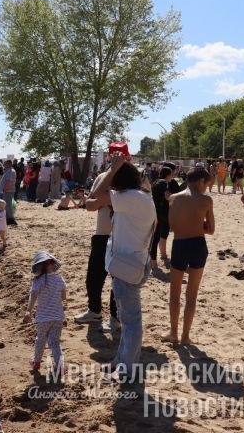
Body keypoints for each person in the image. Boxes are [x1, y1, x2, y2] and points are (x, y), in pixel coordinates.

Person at [84, 153, 155, 381]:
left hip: (128, 266)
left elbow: (95, 195)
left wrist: (112, 169)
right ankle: (121, 361)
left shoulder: (133, 197)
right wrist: (116, 169)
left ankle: (126, 368)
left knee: (131, 322)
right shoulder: (137, 197)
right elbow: (92, 203)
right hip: (130, 264)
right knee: (127, 320)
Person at [163, 169, 214, 346]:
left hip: (180, 245)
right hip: (198, 245)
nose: (206, 188)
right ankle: (185, 336)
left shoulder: (173, 198)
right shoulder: (206, 200)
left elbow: (171, 226)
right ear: (201, 181)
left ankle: (173, 333)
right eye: (206, 184)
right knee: (191, 294)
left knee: (175, 292)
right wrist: (199, 225)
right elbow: (211, 230)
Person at [74, 165, 118, 332]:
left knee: (118, 281)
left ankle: (116, 318)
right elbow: (90, 205)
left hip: (122, 237)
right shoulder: (103, 177)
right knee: (93, 278)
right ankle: (94, 311)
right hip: (102, 235)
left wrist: (105, 200)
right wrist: (105, 200)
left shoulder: (131, 177)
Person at [23, 251, 66, 372]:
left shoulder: (38, 281)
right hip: (58, 316)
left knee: (40, 340)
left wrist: (28, 311)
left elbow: (33, 297)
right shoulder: (59, 279)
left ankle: (36, 362)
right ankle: (60, 365)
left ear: (39, 267)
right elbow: (64, 297)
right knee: (55, 342)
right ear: (53, 264)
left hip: (43, 318)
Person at [150, 167, 173, 269]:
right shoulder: (164, 183)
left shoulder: (156, 181)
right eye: (171, 173)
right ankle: (153, 261)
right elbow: (167, 196)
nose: (172, 175)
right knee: (156, 237)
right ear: (168, 174)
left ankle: (152, 260)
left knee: (154, 237)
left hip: (153, 210)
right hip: (159, 212)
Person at [1, 160, 17, 225]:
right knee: (8, 204)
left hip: (8, 191)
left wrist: (4, 189)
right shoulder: (9, 171)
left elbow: (9, 181)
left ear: (8, 164)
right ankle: (9, 218)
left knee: (8, 205)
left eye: (4, 163)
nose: (3, 165)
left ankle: (10, 219)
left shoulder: (10, 171)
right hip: (8, 190)